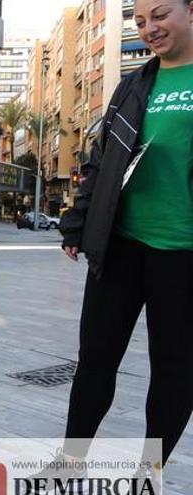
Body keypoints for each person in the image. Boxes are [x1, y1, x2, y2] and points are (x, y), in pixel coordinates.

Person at [54, 0, 193, 482]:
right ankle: (71, 459)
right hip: (122, 244)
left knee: (174, 369)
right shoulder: (133, 84)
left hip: (183, 254)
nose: (149, 28)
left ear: (191, 11)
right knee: (94, 358)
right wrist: (77, 220)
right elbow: (101, 158)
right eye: (139, 22)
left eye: (160, 15)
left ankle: (148, 471)